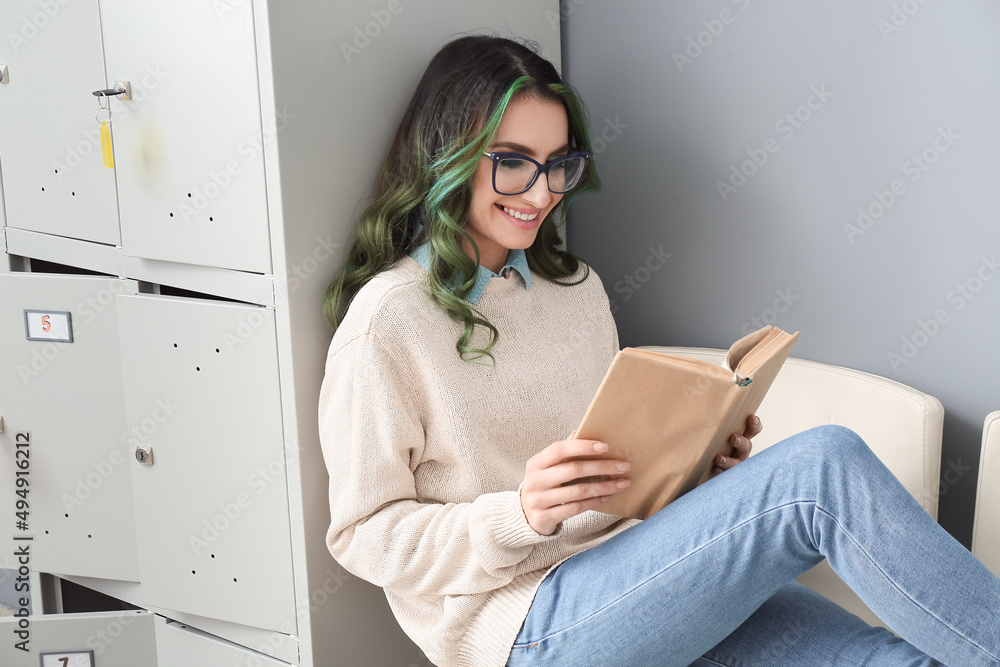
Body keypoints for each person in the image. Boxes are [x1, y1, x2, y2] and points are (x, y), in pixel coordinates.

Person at [318, 34, 1000, 667]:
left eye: (558, 165)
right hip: (529, 623)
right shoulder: (389, 320)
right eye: (513, 163)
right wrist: (520, 514)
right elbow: (363, 534)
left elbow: (618, 474)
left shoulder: (575, 289)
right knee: (823, 468)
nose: (541, 192)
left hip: (644, 576)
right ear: (448, 158)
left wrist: (701, 466)